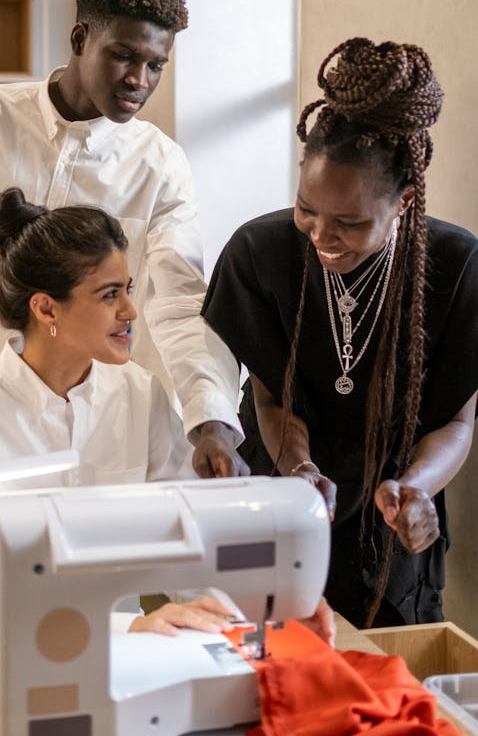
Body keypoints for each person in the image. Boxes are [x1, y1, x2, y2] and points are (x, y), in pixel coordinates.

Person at [0, 0, 244, 477]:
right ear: (80, 38)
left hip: (95, 431)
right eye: (123, 56)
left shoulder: (162, 165)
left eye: (156, 65)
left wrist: (210, 417)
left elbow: (178, 304)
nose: (138, 80)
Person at [203, 37, 478, 629]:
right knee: (263, 656)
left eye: (349, 222)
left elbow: (456, 420)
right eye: (307, 208)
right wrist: (297, 468)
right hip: (280, 497)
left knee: (381, 675)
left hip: (393, 512)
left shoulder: (458, 267)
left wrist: (415, 491)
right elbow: (271, 397)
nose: (320, 235)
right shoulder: (260, 252)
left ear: (404, 200)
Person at [0, 188, 238, 649]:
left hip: (126, 666)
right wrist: (128, 628)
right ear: (45, 308)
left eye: (127, 289)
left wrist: (243, 612)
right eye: (109, 295)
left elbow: (188, 547)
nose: (130, 311)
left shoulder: (140, 395)